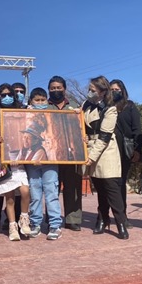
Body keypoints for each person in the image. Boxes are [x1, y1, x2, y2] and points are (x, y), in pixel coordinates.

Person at [83, 76, 128, 239]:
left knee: (112, 188)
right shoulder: (86, 105)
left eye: (93, 90)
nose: (89, 92)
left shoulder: (110, 108)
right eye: (89, 89)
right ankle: (102, 219)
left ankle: (121, 223)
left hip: (106, 151)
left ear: (102, 91)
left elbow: (105, 136)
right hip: (90, 149)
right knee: (99, 188)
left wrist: (92, 157)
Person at [25, 87, 63, 240]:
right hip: (31, 161)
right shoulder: (25, 115)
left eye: (43, 100)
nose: (40, 103)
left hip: (50, 161)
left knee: (51, 193)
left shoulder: (54, 116)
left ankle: (55, 225)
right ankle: (35, 223)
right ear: (31, 101)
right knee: (35, 194)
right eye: (37, 100)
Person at [47, 76, 83, 232]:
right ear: (49, 90)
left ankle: (72, 219)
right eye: (53, 88)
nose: (56, 91)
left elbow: (82, 127)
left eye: (58, 88)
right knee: (51, 188)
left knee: (73, 187)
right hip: (50, 155)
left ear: (64, 89)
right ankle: (52, 219)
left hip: (71, 153)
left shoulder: (74, 106)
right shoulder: (42, 107)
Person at [0, 110, 31, 241]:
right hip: (5, 169)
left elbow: (24, 151)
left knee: (25, 190)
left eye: (0, 127)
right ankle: (13, 227)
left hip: (19, 168)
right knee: (10, 198)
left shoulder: (16, 135)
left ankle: (24, 218)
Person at [110, 79, 142, 228]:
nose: (114, 91)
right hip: (108, 150)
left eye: (117, 89)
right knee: (108, 184)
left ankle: (122, 216)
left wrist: (137, 149)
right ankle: (104, 215)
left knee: (120, 183)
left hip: (125, 150)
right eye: (111, 89)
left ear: (122, 90)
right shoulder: (105, 107)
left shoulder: (129, 106)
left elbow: (137, 129)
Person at [0, 83, 22, 235]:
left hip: (17, 157)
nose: (7, 97)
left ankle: (14, 221)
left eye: (10, 95)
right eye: (3, 95)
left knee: (17, 190)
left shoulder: (20, 113)